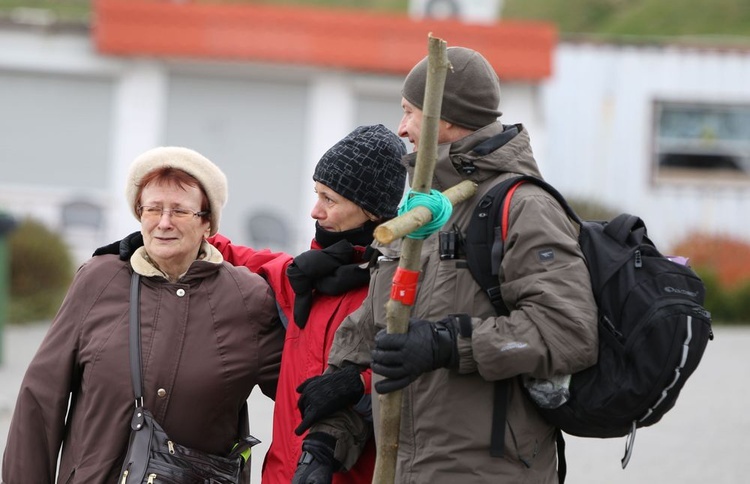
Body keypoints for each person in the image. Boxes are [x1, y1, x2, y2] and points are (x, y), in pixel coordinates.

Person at [292, 47, 599, 483]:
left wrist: (450, 343)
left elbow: (568, 332)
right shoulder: (425, 212)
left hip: (491, 473)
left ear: (447, 118)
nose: (401, 128)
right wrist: (327, 442)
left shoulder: (525, 207)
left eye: (409, 112)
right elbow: (367, 339)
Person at [97, 125, 408, 484]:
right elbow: (239, 256)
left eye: (330, 200)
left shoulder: (396, 289)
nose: (314, 210)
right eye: (316, 193)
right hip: (281, 475)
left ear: (370, 212)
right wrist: (171, 236)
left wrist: (358, 384)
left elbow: (413, 382)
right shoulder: (304, 278)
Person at [1, 146, 284, 483]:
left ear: (207, 222)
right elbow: (41, 398)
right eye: (152, 209)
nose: (163, 223)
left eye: (179, 211)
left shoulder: (248, 298)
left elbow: (298, 395)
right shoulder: (98, 279)